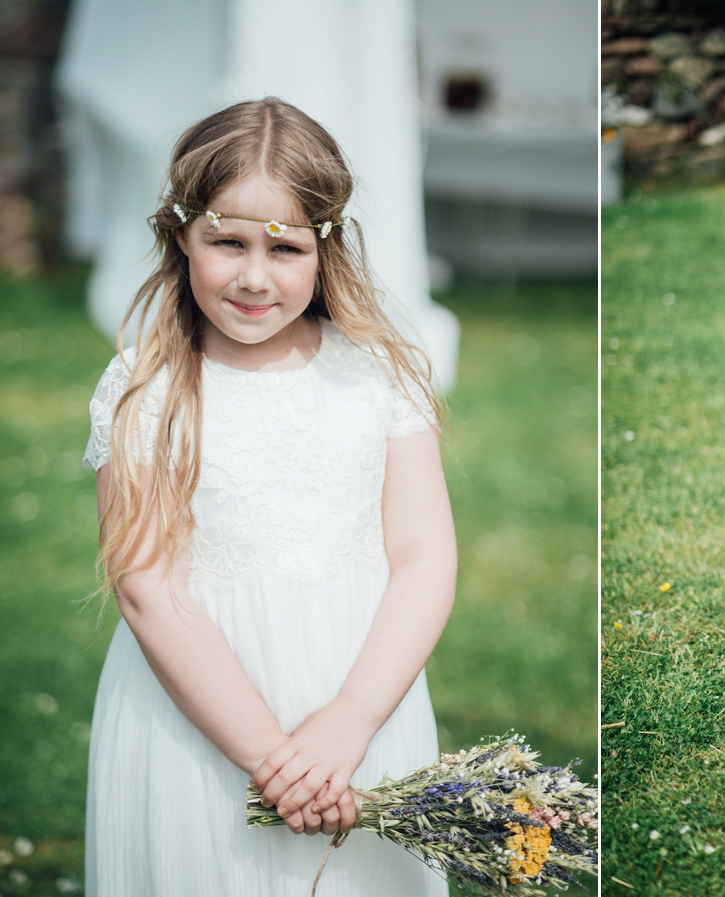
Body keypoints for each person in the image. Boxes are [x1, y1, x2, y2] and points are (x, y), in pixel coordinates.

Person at [81, 97, 456, 896]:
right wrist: (270, 759)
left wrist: (350, 719)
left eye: (284, 248)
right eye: (227, 242)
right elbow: (147, 589)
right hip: (201, 717)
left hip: (362, 696)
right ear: (181, 234)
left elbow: (424, 559)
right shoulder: (144, 389)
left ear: (326, 248)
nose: (254, 275)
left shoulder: (378, 376)